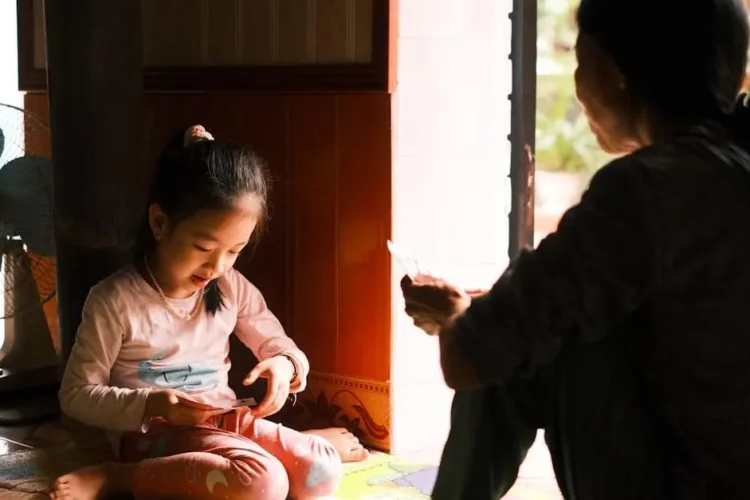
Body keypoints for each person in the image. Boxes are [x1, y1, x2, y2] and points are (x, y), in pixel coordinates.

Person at [401, 0, 750, 498]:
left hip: (686, 481)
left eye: (581, 62)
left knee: (523, 335)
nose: (577, 84)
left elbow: (472, 358)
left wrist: (457, 316)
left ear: (616, 72)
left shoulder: (645, 190)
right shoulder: (731, 164)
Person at [50, 126, 367, 500]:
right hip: (154, 437)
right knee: (263, 483)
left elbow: (280, 345)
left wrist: (285, 365)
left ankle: (286, 449)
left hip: (226, 421)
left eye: (234, 250)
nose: (218, 265)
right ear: (159, 223)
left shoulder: (231, 286)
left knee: (322, 470)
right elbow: (75, 395)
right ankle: (118, 476)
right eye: (203, 247)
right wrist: (152, 404)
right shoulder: (114, 301)